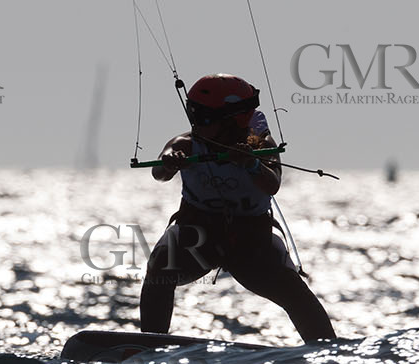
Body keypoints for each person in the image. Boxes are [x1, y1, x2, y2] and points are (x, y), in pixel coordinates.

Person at [138, 73, 337, 342]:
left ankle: (326, 348)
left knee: (295, 293)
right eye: (194, 116)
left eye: (205, 119)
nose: (197, 124)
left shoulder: (260, 146)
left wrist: (251, 163)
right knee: (161, 265)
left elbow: (272, 184)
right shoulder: (186, 144)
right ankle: (149, 343)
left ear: (233, 121)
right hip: (197, 239)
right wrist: (170, 162)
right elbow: (160, 171)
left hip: (250, 243)